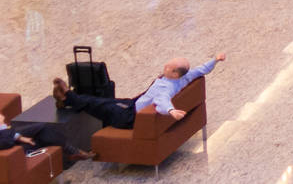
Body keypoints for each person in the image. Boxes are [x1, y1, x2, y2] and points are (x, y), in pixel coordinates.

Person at [52, 53, 226, 130]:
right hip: (134, 104)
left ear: (174, 73)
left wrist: (171, 111)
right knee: (104, 101)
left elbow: (163, 101)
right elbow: (201, 69)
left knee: (98, 104)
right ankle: (69, 97)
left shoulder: (166, 87)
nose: (164, 67)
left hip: (131, 117)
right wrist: (215, 60)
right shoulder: (185, 77)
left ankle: (66, 97)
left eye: (168, 67)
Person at [0, 117, 93, 162]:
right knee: (44, 131)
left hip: (7, 134)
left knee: (44, 130)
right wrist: (2, 125)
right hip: (6, 141)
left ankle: (73, 152)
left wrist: (18, 136)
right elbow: (5, 143)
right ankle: (73, 151)